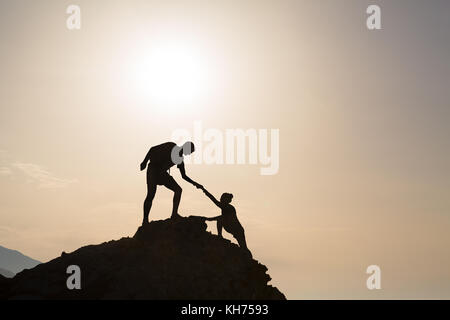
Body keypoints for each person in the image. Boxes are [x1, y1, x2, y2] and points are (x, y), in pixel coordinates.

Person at [140, 141, 202, 225]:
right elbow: (152, 149)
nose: (189, 154)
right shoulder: (171, 146)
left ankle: (174, 214)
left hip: (162, 174)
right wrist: (144, 161)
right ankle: (145, 220)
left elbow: (184, 176)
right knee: (150, 195)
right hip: (153, 170)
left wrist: (195, 183)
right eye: (190, 151)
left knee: (178, 190)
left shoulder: (180, 160)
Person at [201, 186, 251, 256]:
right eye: (221, 198)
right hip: (230, 226)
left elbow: (215, 203)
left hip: (237, 229)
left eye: (222, 198)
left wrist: (207, 219)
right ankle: (220, 235)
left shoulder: (229, 208)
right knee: (243, 247)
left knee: (244, 247)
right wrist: (204, 191)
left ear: (226, 200)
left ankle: (248, 258)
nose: (220, 199)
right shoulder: (225, 207)